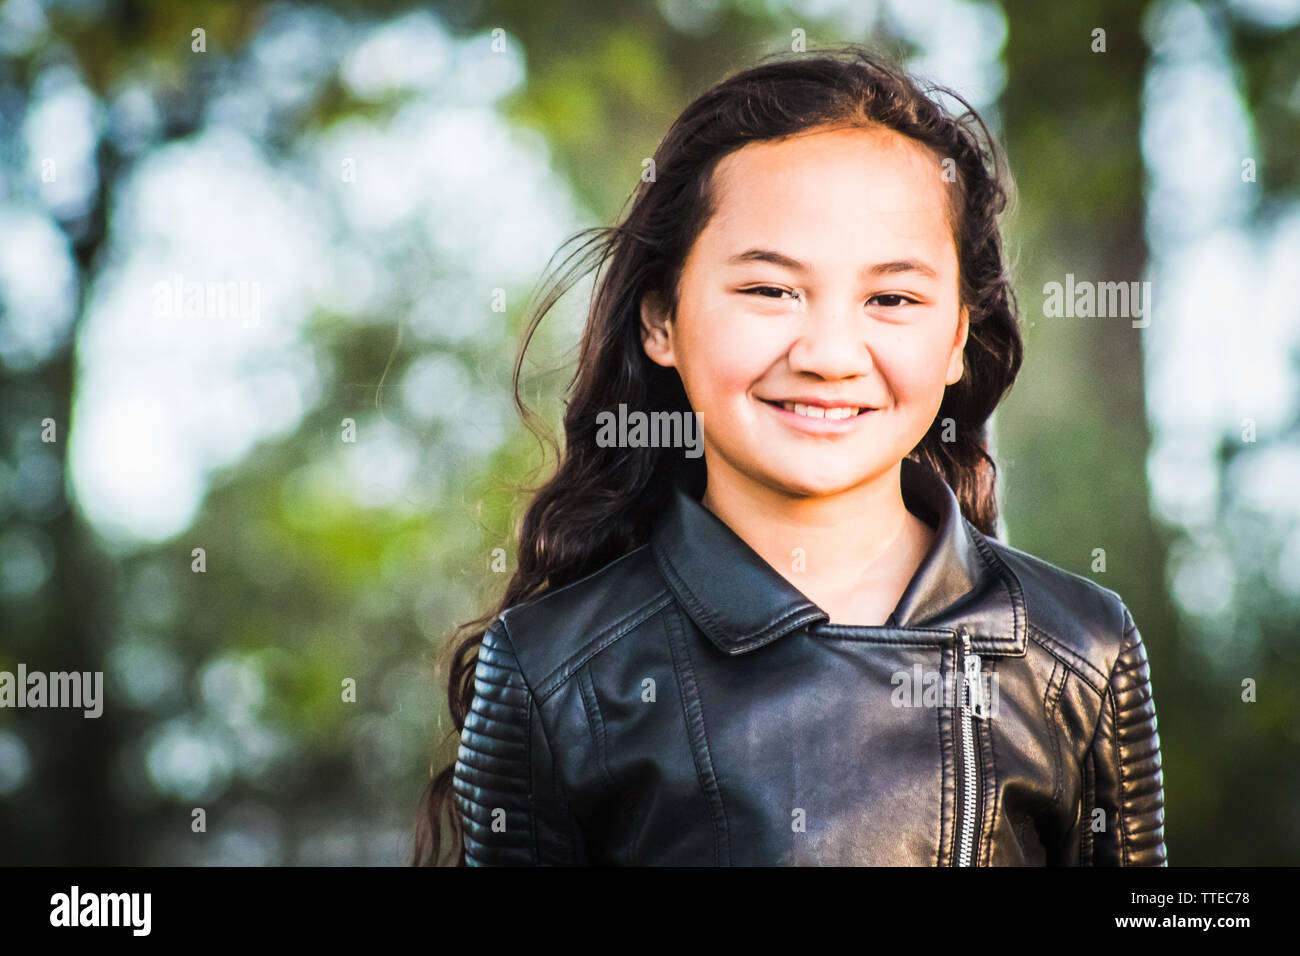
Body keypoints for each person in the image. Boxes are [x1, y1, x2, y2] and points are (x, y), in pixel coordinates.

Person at [412, 44, 1167, 866]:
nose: (830, 354)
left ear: (956, 338)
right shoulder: (552, 667)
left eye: (892, 298)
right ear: (661, 318)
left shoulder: (1080, 650)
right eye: (771, 290)